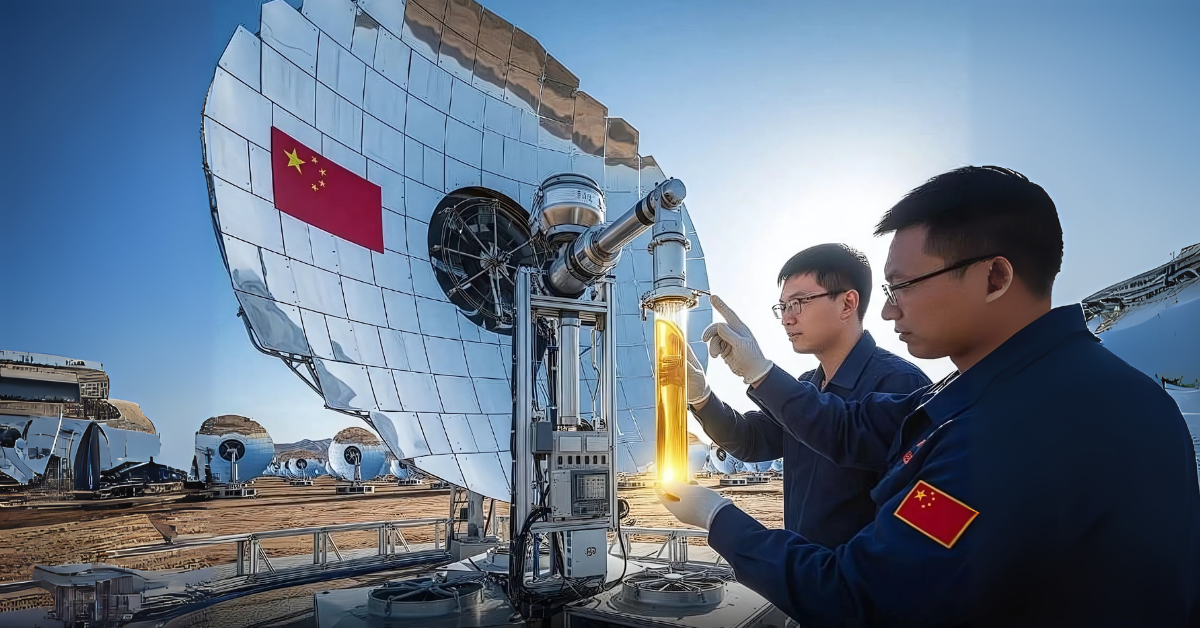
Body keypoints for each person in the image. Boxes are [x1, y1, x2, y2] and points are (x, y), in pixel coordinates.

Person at [659, 166, 1200, 626]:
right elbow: (846, 429)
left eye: (903, 286)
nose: (889, 309)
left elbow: (863, 596)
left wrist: (719, 518)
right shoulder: (996, 391)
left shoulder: (1025, 427)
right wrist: (725, 386)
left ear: (994, 277)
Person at [688, 243, 930, 548]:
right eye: (783, 307)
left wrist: (762, 375)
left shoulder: (900, 384)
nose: (787, 318)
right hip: (804, 566)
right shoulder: (806, 386)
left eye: (799, 302)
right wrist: (702, 398)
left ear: (847, 304)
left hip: (859, 573)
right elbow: (750, 440)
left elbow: (838, 429)